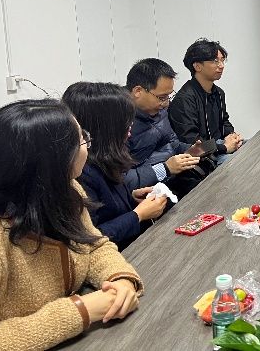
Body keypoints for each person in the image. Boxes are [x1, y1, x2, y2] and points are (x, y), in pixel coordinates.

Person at [0, 99, 143, 350]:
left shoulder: (66, 191)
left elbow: (92, 245)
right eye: (82, 139)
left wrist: (120, 279)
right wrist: (80, 311)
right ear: (52, 160)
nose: (88, 144)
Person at [63, 82, 168, 250]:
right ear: (106, 128)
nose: (130, 129)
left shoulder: (106, 158)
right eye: (124, 123)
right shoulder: (81, 172)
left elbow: (107, 207)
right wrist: (138, 215)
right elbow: (89, 238)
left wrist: (132, 198)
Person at [125, 58, 202, 198]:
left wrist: (190, 150)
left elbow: (172, 143)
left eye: (168, 96)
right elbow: (123, 180)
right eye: (162, 97)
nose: (166, 103)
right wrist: (166, 168)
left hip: (172, 180)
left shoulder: (159, 110)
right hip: (146, 194)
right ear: (138, 91)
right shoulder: (119, 123)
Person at [169, 39, 243, 166]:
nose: (221, 65)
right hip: (203, 157)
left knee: (255, 146)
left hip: (220, 145)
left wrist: (233, 136)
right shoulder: (184, 99)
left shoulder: (218, 92)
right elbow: (192, 145)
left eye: (222, 60)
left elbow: (224, 122)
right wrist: (224, 147)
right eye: (215, 61)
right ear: (197, 66)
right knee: (241, 163)